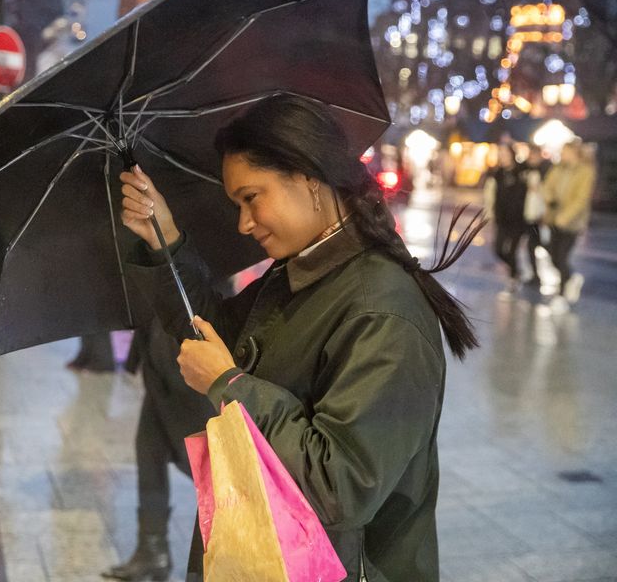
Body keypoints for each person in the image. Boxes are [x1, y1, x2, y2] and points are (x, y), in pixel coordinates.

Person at [119, 95, 483, 581]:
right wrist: (163, 240)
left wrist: (230, 385)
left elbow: (342, 485)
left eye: (252, 198)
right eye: (238, 204)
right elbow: (220, 336)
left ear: (309, 178)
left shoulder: (381, 311)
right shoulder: (298, 273)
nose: (244, 223)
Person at [102, 316, 218, 581]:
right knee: (149, 454)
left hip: (192, 373)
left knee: (206, 471)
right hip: (158, 367)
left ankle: (221, 557)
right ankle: (152, 550)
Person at [543, 140, 596, 309]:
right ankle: (571, 279)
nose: (562, 155)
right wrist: (549, 199)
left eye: (565, 151)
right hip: (554, 219)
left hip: (572, 223)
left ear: (574, 152)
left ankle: (562, 293)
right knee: (552, 254)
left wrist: (564, 218)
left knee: (561, 256)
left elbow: (581, 199)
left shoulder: (586, 171)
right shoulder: (558, 168)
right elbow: (547, 186)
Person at [483, 142, 527, 294]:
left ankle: (514, 277)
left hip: (519, 218)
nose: (503, 157)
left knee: (512, 250)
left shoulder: (522, 171)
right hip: (502, 217)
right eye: (501, 154)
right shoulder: (498, 173)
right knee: (498, 249)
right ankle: (517, 270)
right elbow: (491, 194)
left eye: (505, 154)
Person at [520, 144, 550, 287]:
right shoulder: (525, 170)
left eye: (534, 155)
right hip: (529, 215)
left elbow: (549, 195)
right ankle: (535, 275)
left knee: (546, 245)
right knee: (531, 246)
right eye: (530, 155)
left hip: (541, 216)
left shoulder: (546, 171)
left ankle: (562, 274)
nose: (531, 158)